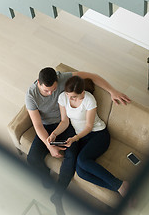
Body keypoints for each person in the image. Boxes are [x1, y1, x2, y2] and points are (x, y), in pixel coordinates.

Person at [25, 67, 130, 201]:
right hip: (50, 127)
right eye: (46, 90)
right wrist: (50, 142)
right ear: (38, 83)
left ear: (58, 80)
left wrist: (112, 91)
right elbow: (40, 125)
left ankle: (60, 192)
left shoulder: (75, 88)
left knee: (76, 159)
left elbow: (92, 76)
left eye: (54, 89)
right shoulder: (35, 96)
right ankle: (119, 187)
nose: (51, 94)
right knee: (35, 160)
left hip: (83, 130)